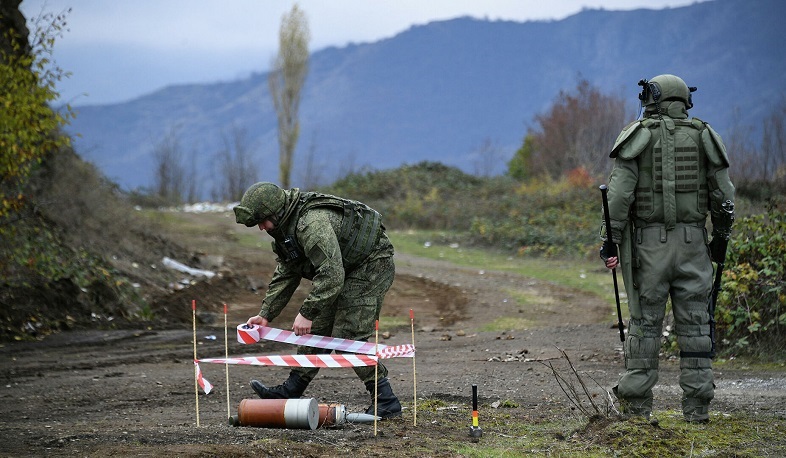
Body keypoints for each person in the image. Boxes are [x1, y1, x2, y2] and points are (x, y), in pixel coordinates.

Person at [600, 74, 735, 423]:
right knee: (695, 326)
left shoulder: (637, 137)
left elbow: (617, 196)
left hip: (648, 248)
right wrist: (719, 238)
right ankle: (697, 410)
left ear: (652, 98)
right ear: (683, 100)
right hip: (694, 245)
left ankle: (636, 409)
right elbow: (725, 197)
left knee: (644, 326)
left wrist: (610, 241)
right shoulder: (705, 136)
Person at [233, 182, 402, 419]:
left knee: (349, 336)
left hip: (371, 265)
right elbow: (286, 273)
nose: (261, 228)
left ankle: (386, 401)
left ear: (276, 213)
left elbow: (331, 275)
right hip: (346, 267)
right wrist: (266, 314)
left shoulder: (311, 224)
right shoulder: (285, 229)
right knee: (318, 332)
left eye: (262, 221)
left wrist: (308, 311)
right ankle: (291, 390)